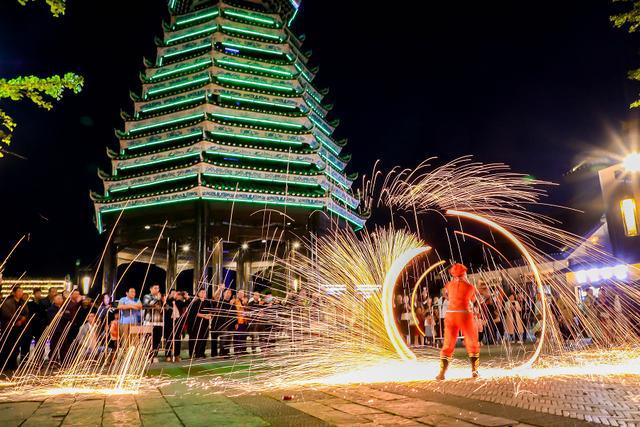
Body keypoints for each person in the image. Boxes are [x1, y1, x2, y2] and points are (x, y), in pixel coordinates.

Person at [436, 263, 480, 380]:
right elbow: (472, 300)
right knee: (472, 342)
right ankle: (474, 371)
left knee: (448, 344)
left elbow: (446, 294)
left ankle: (442, 373)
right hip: (464, 315)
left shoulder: (448, 285)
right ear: (464, 273)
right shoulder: (470, 287)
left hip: (450, 315)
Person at [0, 286, 29, 371]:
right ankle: (5, 365)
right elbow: (6, 314)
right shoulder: (7, 302)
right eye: (19, 291)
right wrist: (19, 318)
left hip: (20, 328)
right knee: (7, 346)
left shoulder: (23, 302)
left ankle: (13, 364)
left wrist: (23, 319)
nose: (20, 293)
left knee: (16, 347)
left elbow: (26, 313)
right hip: (9, 327)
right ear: (14, 293)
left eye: (21, 291)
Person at [188, 288, 213, 359]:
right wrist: (204, 316)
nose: (203, 294)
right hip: (196, 324)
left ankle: (201, 353)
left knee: (204, 338)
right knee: (195, 338)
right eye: (202, 292)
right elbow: (194, 313)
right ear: (198, 293)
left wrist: (209, 315)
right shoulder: (195, 302)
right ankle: (193, 353)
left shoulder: (208, 302)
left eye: (204, 292)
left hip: (205, 324)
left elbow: (211, 311)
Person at [142, 284, 163, 363]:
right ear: (151, 289)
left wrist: (163, 302)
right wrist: (156, 299)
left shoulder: (160, 298)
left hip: (159, 322)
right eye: (155, 288)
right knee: (148, 339)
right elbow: (146, 304)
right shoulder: (147, 296)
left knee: (157, 340)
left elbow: (165, 306)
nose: (157, 290)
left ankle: (154, 355)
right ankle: (148, 356)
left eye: (158, 288)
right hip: (149, 322)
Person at [164, 290, 185, 362]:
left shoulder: (179, 302)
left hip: (178, 323)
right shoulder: (167, 301)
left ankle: (177, 355)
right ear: (169, 294)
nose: (174, 295)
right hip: (169, 323)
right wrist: (170, 297)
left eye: (175, 293)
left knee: (177, 339)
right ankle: (168, 355)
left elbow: (186, 304)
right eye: (172, 293)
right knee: (169, 339)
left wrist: (187, 297)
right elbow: (165, 306)